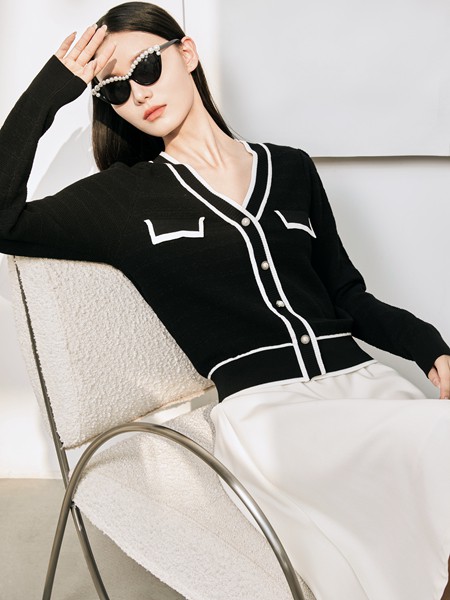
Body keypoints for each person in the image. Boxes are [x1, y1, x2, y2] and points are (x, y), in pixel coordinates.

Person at [1, 2, 449, 598]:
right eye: (113, 87)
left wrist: (431, 349)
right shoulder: (125, 200)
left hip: (367, 387)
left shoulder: (291, 169)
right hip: (274, 419)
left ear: (186, 52)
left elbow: (347, 295)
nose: (137, 92)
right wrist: (53, 87)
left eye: (145, 66)